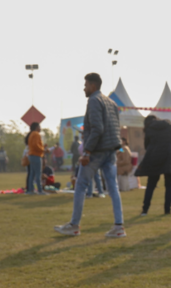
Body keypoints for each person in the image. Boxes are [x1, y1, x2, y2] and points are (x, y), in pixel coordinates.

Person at [54, 73, 126, 238]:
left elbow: (97, 128)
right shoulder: (112, 102)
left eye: (86, 85)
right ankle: (119, 226)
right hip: (111, 150)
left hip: (97, 150)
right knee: (113, 187)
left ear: (93, 86)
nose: (84, 88)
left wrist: (87, 152)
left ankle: (74, 225)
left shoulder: (94, 100)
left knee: (80, 185)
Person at [135, 115, 171, 215]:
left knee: (151, 185)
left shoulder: (149, 129)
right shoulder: (169, 125)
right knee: (169, 185)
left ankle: (145, 210)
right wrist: (168, 144)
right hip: (169, 157)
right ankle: (167, 210)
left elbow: (146, 145)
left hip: (154, 157)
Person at [27, 122, 46, 195]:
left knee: (32, 173)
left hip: (31, 155)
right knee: (38, 174)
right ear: (36, 127)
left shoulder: (31, 134)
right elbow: (36, 145)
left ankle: (31, 190)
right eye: (39, 126)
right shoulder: (36, 134)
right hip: (36, 155)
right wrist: (43, 149)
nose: (40, 128)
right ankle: (40, 190)